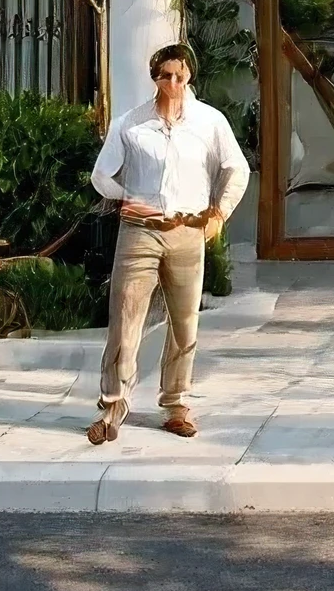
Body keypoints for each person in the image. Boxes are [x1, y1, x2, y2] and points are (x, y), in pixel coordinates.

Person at [85, 39, 252, 443]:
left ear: (189, 75)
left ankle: (176, 404)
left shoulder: (209, 122)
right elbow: (101, 175)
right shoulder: (130, 124)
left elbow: (237, 168)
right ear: (155, 77)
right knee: (125, 318)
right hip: (140, 231)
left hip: (187, 231)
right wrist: (127, 196)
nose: (173, 83)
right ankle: (112, 405)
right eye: (165, 75)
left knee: (184, 322)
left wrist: (219, 214)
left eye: (179, 75)